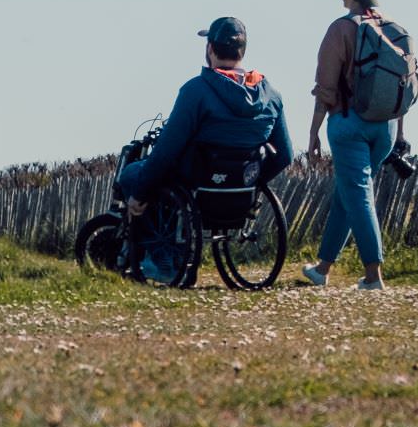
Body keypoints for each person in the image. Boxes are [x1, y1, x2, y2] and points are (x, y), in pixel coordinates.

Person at [119, 16, 293, 282]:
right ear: (242, 51)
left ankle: (162, 260)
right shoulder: (271, 95)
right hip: (239, 190)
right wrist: (249, 181)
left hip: (196, 182)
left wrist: (140, 192)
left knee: (134, 174)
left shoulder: (196, 91)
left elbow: (166, 150)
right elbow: (285, 155)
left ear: (210, 49)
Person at [302, 0, 403, 292]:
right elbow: (402, 83)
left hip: (350, 125)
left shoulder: (341, 29)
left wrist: (315, 130)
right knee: (348, 192)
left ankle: (374, 276)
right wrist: (400, 133)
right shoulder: (392, 28)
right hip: (385, 128)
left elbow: (326, 87)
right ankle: (322, 268)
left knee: (358, 194)